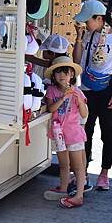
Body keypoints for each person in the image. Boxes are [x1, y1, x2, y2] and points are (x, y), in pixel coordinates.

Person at [72, 0, 112, 191]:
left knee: (107, 133)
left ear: (99, 18)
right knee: (85, 132)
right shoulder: (88, 35)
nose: (85, 24)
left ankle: (104, 173)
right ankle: (84, 173)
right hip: (87, 90)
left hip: (107, 91)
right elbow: (77, 60)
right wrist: (79, 38)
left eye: (87, 21)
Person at [43, 56, 89, 208]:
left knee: (78, 166)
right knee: (64, 165)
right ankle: (63, 188)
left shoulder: (77, 92)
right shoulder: (51, 91)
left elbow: (84, 114)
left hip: (74, 134)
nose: (62, 75)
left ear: (71, 75)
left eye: (66, 72)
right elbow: (51, 108)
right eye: (58, 72)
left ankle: (79, 195)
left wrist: (79, 99)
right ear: (54, 76)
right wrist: (63, 98)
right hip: (58, 133)